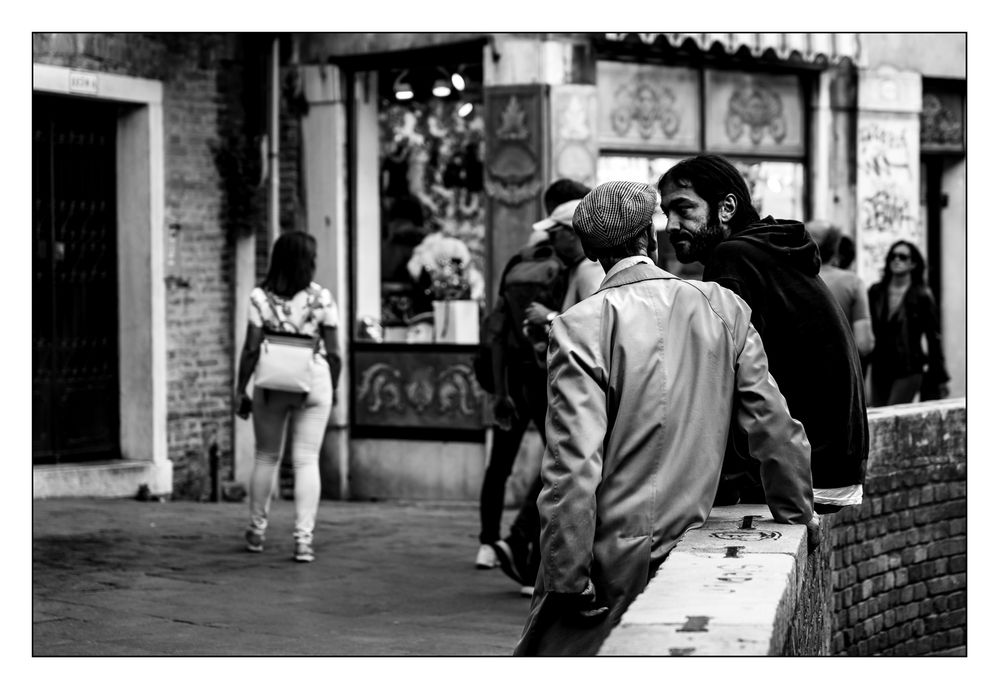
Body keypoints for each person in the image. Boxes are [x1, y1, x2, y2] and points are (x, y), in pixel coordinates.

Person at [514, 181, 816, 656]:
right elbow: (775, 428)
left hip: (608, 559)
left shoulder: (579, 325)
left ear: (592, 251)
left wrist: (566, 575)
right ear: (649, 237)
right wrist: (798, 516)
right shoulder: (723, 307)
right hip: (693, 543)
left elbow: (572, 467)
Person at [658, 154, 868, 513]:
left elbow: (722, 378)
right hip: (837, 464)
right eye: (666, 214)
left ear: (726, 208)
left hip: (806, 470)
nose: (672, 225)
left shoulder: (733, 257)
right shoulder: (769, 251)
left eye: (683, 209)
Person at [477, 180, 604, 594]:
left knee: (541, 466)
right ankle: (524, 549)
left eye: (557, 231)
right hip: (551, 383)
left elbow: (588, 330)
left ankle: (504, 544)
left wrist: (500, 390)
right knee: (561, 467)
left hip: (538, 381)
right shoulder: (573, 270)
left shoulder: (577, 270)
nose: (553, 240)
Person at [234, 231, 342, 563]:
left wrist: (241, 389)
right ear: (307, 262)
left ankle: (256, 531)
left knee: (266, 457)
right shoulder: (321, 299)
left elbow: (252, 349)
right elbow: (335, 353)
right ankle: (303, 540)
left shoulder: (259, 298)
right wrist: (332, 388)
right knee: (306, 459)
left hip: (271, 382)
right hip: (313, 380)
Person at [867, 240, 949, 406]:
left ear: (913, 264)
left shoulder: (922, 295)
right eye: (893, 256)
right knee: (876, 415)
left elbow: (933, 338)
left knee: (893, 413)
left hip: (909, 367)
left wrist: (940, 377)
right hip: (880, 366)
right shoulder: (876, 291)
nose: (896, 260)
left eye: (903, 257)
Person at [805, 220, 875, 358]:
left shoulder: (781, 278)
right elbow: (864, 344)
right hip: (838, 371)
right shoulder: (852, 283)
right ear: (835, 247)